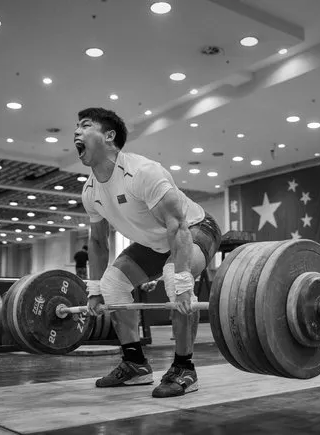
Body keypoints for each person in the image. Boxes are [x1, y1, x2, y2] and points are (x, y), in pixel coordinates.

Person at [75, 107, 221, 398]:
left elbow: (177, 225)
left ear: (109, 136)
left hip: (195, 228)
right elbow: (99, 243)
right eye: (75, 128)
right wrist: (94, 290)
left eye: (85, 125)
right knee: (112, 284)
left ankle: (185, 368)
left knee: (174, 278)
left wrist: (182, 285)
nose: (77, 132)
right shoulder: (90, 191)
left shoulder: (143, 172)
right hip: (156, 242)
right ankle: (135, 364)